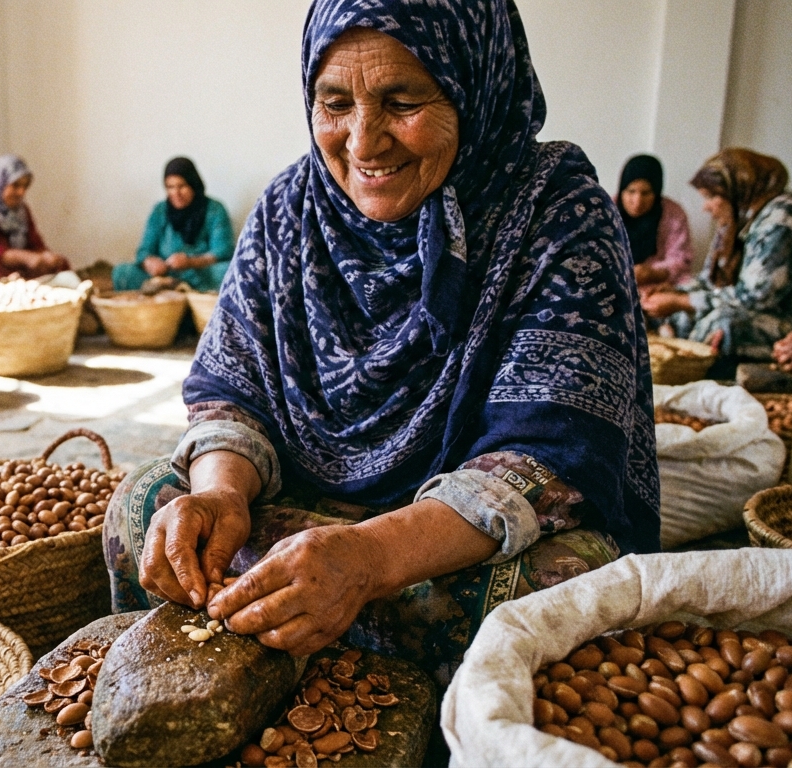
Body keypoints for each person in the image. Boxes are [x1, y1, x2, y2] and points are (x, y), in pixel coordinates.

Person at [103, 0, 659, 687]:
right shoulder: (289, 210)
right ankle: (211, 700)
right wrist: (222, 497)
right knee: (145, 508)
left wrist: (368, 559)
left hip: (455, 535)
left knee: (557, 585)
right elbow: (230, 392)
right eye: (334, 103)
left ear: (471, 85)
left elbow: (549, 458)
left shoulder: (559, 215)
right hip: (310, 511)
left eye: (401, 102)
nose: (363, 143)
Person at [642, 149, 792, 363]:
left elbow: (753, 297)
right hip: (752, 308)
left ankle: (692, 372)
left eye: (711, 197)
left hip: (789, 321)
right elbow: (710, 280)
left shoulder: (783, 220)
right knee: (675, 316)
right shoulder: (737, 220)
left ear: (738, 190)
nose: (705, 207)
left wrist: (682, 300)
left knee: (722, 324)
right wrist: (673, 293)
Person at [113, 157, 235, 293]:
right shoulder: (160, 210)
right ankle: (170, 290)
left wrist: (190, 262)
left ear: (193, 184)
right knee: (122, 272)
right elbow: (144, 251)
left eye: (182, 186)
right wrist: (150, 262)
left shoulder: (214, 209)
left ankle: (183, 294)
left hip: (200, 274)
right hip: (166, 276)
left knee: (230, 272)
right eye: (170, 187)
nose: (176, 193)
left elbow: (223, 251)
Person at [616, 154, 693, 293]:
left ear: (656, 192)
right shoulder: (604, 211)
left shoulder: (672, 214)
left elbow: (680, 259)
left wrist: (652, 273)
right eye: (631, 191)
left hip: (658, 284)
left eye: (645, 193)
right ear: (622, 190)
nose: (637, 201)